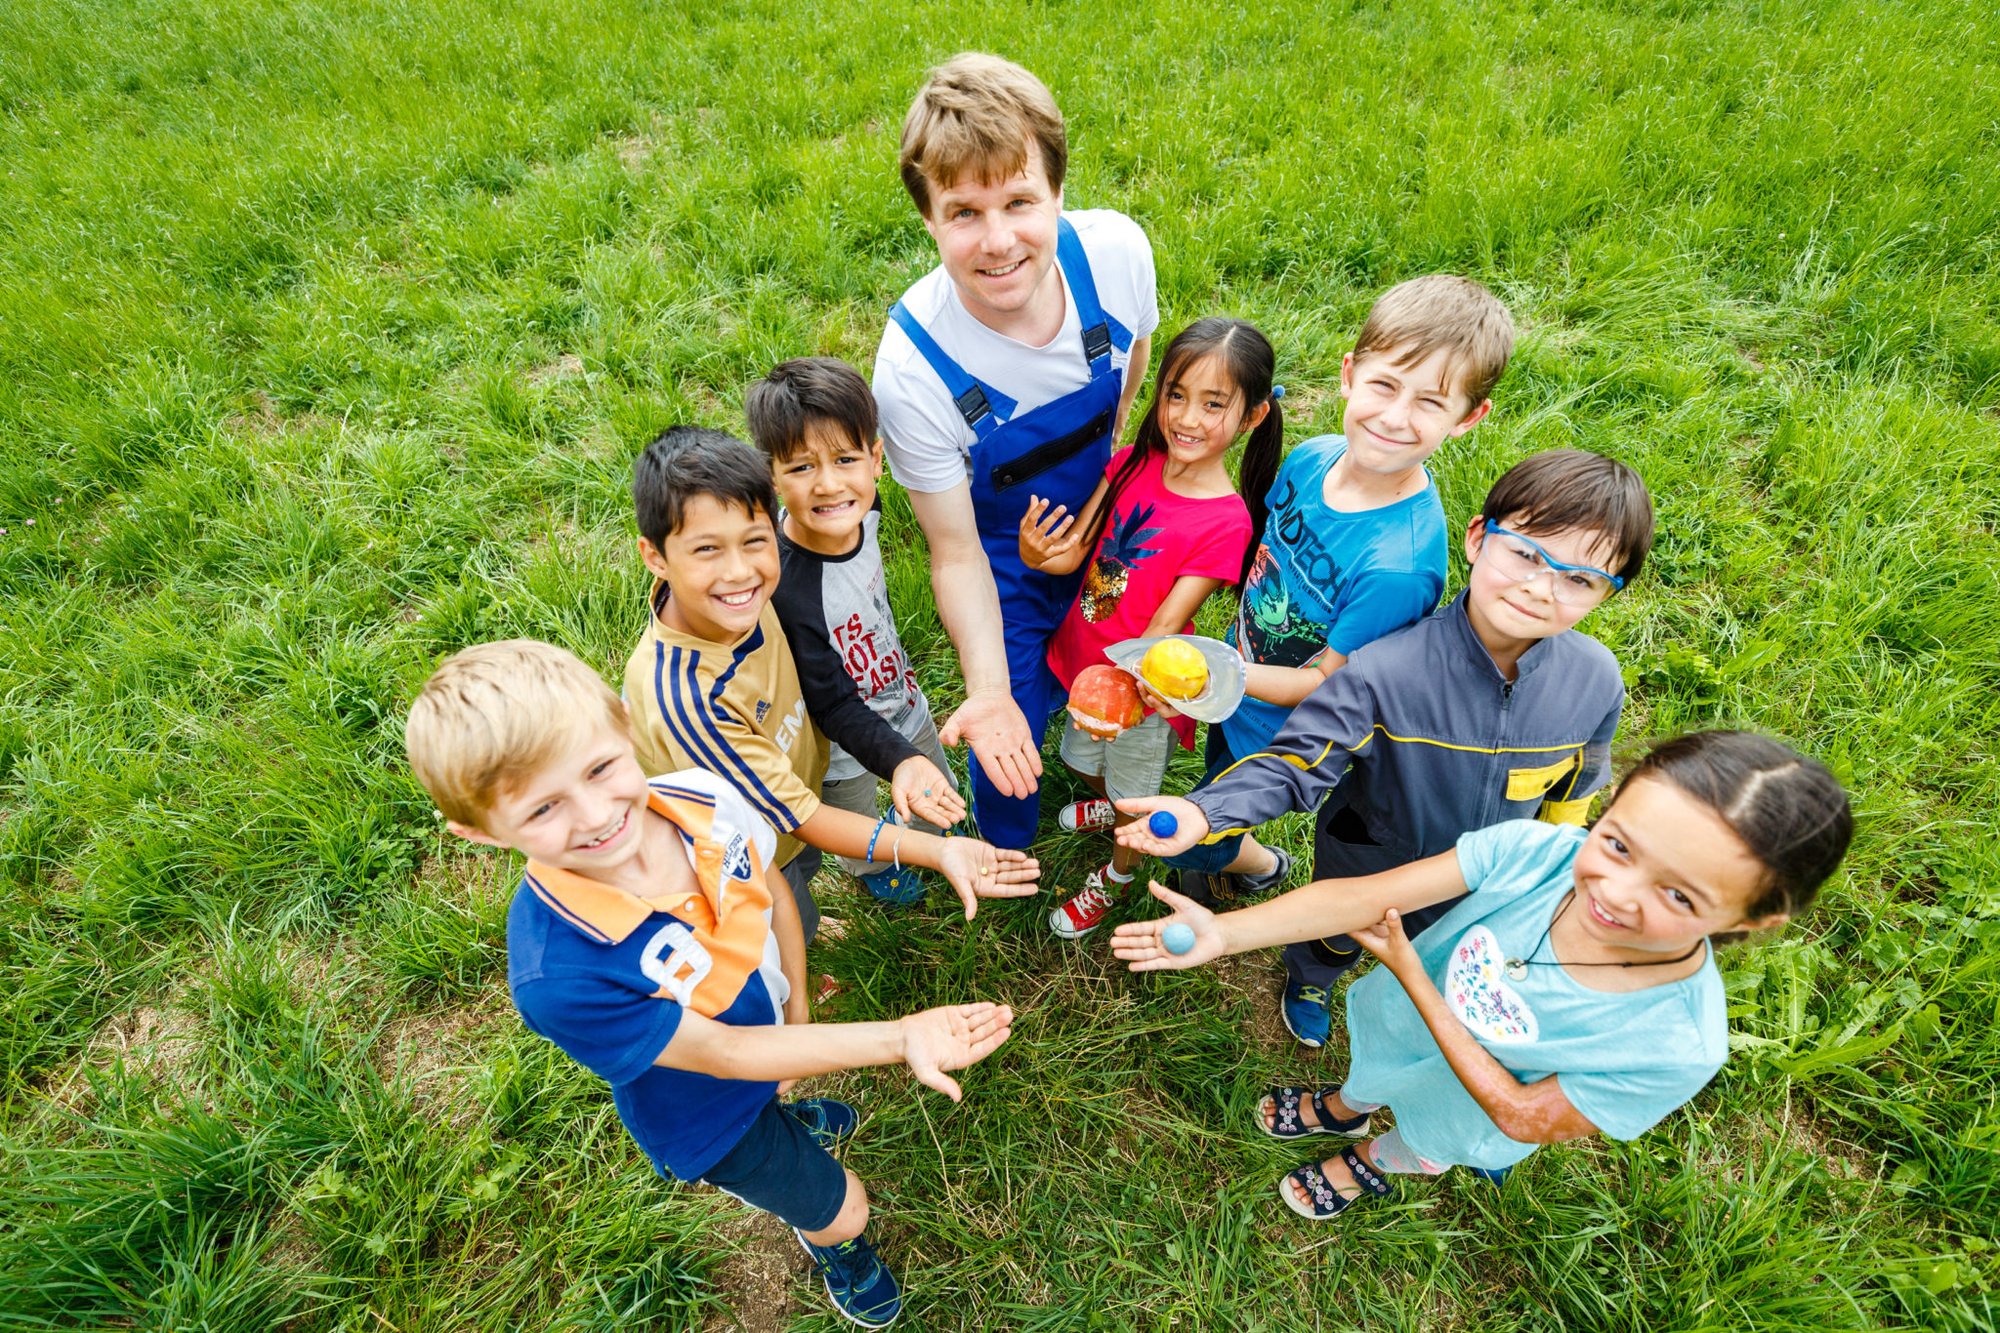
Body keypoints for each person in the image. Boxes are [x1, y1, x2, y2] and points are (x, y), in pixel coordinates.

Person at [406, 639, 1018, 1326]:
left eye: (600, 767)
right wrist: (902, 1037)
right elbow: (724, 1055)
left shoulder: (705, 797)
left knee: (780, 1088)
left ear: (623, 724)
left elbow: (774, 893)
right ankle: (834, 1244)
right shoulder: (559, 975)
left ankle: (786, 1117)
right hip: (705, 1114)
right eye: (543, 809)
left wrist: (798, 1010)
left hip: (769, 1038)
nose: (596, 814)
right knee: (846, 1207)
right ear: (481, 831)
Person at [1112, 730, 1853, 1221]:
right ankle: (1346, 1106)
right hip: (1401, 1031)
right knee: (1373, 1071)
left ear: (1755, 918)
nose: (1615, 893)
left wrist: (1415, 976)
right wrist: (1225, 932)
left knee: (1424, 1142)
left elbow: (1521, 1116)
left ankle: (1372, 1158)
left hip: (1466, 1114)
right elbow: (1364, 898)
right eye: (1619, 844)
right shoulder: (1536, 852)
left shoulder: (1678, 1044)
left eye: (1680, 895)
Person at [1119, 450, 1653, 1046]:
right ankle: (1311, 977)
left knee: (1441, 961)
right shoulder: (1383, 671)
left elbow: (1574, 790)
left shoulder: (1596, 681)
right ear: (1478, 538)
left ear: (1608, 593)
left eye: (1579, 579)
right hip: (1366, 856)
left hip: (1485, 884)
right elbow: (1295, 762)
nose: (1539, 588)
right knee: (1334, 936)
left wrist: (1550, 878)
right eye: (1526, 554)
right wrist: (1206, 811)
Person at [873, 52, 1159, 851]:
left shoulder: (1117, 255)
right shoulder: (912, 370)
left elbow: (1132, 373)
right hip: (1000, 558)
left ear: (1059, 192)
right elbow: (954, 549)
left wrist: (1099, 500)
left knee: (1123, 672)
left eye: (1020, 202)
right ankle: (1003, 845)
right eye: (964, 212)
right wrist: (990, 690)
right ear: (928, 220)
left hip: (1103, 513)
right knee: (1011, 741)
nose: (998, 242)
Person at [1168, 274, 1516, 908]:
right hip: (1236, 677)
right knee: (1210, 775)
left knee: (1205, 824)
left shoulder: (1399, 568)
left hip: (1280, 730)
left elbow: (1331, 685)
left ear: (1468, 418)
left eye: (1430, 402)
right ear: (1350, 374)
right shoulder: (1311, 457)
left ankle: (1255, 863)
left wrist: (1219, 673)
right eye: (1385, 385)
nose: (1394, 417)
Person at [621, 426, 1038, 935]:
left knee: (806, 868)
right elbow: (802, 817)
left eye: (754, 541)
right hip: (745, 851)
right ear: (655, 557)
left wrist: (901, 760)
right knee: (786, 918)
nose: (739, 572)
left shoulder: (747, 600)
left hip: (790, 793)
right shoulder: (693, 701)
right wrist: (936, 851)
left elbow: (830, 698)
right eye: (707, 550)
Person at [1015, 318, 1280, 938]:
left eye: (1213, 404)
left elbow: (1163, 626)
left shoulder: (1227, 523)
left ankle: (1119, 872)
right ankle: (1107, 805)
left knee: (1135, 801)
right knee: (1077, 756)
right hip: (1084, 661)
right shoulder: (1134, 462)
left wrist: (1126, 693)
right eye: (1176, 395)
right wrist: (1036, 554)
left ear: (1252, 417)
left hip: (1141, 690)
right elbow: (1076, 550)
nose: (1185, 417)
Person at [747, 357, 960, 907]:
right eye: (802, 467)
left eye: (845, 459)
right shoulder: (788, 588)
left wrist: (906, 756)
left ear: (876, 460)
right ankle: (873, 868)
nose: (829, 485)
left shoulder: (866, 512)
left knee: (934, 786)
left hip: (901, 696)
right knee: (856, 817)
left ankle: (929, 838)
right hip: (839, 746)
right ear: (772, 476)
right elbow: (832, 704)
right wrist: (896, 759)